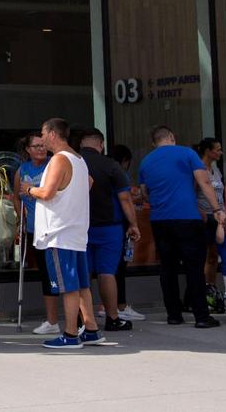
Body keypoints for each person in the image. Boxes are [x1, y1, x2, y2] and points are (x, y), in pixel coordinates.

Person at [27, 118, 103, 349]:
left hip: (59, 232)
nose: (41, 139)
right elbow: (89, 182)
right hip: (75, 231)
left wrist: (29, 189)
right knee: (81, 284)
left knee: (68, 286)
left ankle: (70, 334)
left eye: (43, 134)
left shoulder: (60, 159)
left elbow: (47, 193)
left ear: (52, 134)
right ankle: (91, 329)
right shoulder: (78, 159)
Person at [139, 125, 223, 327]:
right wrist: (217, 208)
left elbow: (144, 193)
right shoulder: (187, 153)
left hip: (160, 219)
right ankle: (201, 316)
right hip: (187, 217)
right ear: (171, 136)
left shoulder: (146, 161)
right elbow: (204, 182)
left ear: (154, 142)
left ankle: (174, 315)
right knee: (194, 267)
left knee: (167, 267)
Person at [79, 128, 140, 332]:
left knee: (84, 274)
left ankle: (83, 320)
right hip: (109, 227)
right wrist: (133, 224)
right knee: (107, 272)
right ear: (101, 144)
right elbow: (125, 198)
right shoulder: (111, 165)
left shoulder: (73, 163)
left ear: (81, 144)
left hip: (80, 227)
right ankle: (112, 318)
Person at [13, 132, 59, 334]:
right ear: (28, 150)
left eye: (43, 145)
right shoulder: (22, 170)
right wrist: (21, 218)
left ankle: (78, 320)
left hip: (53, 228)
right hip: (34, 228)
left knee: (60, 274)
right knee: (46, 274)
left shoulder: (53, 165)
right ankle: (52, 321)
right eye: (36, 146)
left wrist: (33, 189)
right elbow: (16, 196)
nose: (41, 149)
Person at [108, 144, 145, 322]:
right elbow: (125, 198)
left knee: (106, 268)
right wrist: (133, 223)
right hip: (119, 222)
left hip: (103, 224)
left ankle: (108, 305)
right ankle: (120, 305)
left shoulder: (102, 171)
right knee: (119, 266)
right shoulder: (119, 173)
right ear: (125, 161)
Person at [194, 138, 225, 310]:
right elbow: (192, 192)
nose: (220, 152)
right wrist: (199, 211)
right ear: (208, 151)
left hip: (218, 217)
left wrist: (223, 212)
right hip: (204, 216)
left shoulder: (216, 169)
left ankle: (210, 288)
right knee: (203, 255)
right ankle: (201, 291)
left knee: (214, 255)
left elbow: (220, 193)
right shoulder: (198, 168)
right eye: (217, 149)